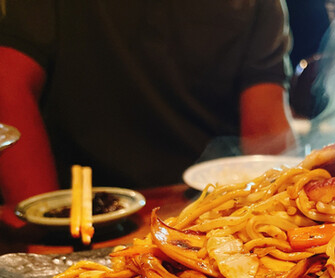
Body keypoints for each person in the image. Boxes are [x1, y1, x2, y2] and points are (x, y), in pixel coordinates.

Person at [0, 0, 296, 209]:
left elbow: (265, 134)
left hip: (208, 208)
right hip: (85, 207)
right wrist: (43, 219)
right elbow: (9, 84)